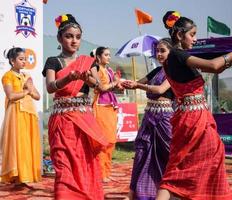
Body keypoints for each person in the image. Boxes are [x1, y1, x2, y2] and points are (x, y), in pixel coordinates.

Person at [156, 11, 232, 200]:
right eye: (193, 34)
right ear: (180, 35)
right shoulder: (178, 55)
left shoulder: (175, 58)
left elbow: (216, 67)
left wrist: (227, 61)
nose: (196, 39)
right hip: (194, 120)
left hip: (189, 118)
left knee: (181, 166)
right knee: (191, 164)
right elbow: (213, 66)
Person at [42, 14, 108, 200]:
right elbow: (50, 86)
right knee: (63, 167)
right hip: (62, 123)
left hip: (83, 122)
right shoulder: (53, 61)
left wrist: (89, 79)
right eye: (69, 36)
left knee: (85, 163)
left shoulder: (88, 62)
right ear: (59, 38)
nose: (74, 40)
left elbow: (98, 86)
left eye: (78, 37)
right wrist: (69, 78)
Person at [122, 38, 174, 200]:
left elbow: (160, 89)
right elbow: (135, 83)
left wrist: (138, 86)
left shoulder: (175, 71)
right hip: (149, 116)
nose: (158, 54)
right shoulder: (155, 71)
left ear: (171, 52)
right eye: (157, 51)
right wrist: (119, 83)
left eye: (162, 51)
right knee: (141, 153)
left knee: (169, 154)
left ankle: (173, 191)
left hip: (165, 118)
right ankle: (132, 194)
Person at [0, 47, 41, 187]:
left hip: (28, 113)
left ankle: (26, 175)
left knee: (28, 144)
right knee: (18, 143)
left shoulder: (26, 76)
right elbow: (11, 96)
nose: (24, 62)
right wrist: (26, 91)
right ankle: (17, 176)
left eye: (25, 59)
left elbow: (37, 96)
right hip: (16, 113)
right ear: (12, 61)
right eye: (21, 59)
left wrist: (29, 89)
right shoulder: (7, 76)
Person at [91, 46, 122, 183]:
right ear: (98, 57)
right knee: (103, 141)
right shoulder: (96, 69)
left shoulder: (109, 70)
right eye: (106, 55)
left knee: (111, 141)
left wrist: (119, 83)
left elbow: (113, 87)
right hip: (101, 106)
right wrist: (114, 82)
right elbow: (101, 87)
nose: (109, 57)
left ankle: (107, 171)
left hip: (111, 107)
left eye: (110, 55)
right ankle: (100, 173)